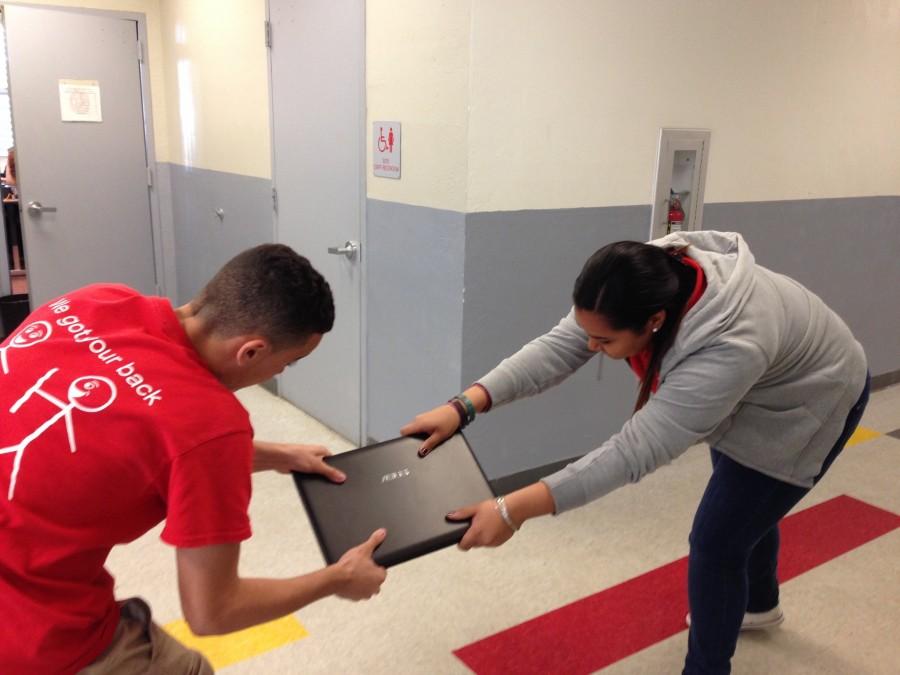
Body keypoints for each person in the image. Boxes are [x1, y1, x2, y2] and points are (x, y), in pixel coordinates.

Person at [402, 230, 869, 675]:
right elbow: (558, 347)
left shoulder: (731, 346)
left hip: (810, 403)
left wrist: (512, 509)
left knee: (716, 541)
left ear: (655, 321)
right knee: (744, 511)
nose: (590, 346)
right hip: (757, 390)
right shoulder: (643, 277)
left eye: (604, 342)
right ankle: (759, 604)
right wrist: (464, 405)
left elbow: (634, 451)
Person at [0, 244, 387, 675]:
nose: (278, 375)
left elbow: (144, 438)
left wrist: (281, 455)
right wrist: (337, 579)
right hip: (28, 632)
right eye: (289, 364)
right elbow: (214, 611)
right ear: (252, 352)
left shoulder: (93, 301)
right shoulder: (213, 426)